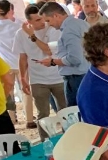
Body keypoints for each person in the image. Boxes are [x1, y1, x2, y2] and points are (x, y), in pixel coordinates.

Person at [17, 3, 66, 136]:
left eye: (42, 18)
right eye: (37, 20)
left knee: (65, 111)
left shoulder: (52, 28)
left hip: (58, 76)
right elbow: (22, 58)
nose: (42, 22)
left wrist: (32, 36)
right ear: (29, 22)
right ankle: (45, 143)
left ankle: (68, 138)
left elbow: (48, 50)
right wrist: (23, 78)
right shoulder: (20, 34)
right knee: (42, 114)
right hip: (37, 79)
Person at [38, 1, 87, 106]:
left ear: (56, 16)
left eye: (48, 20)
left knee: (76, 113)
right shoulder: (81, 23)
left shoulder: (68, 30)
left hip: (76, 78)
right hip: (85, 74)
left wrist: (53, 62)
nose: (49, 24)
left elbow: (75, 58)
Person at [0, 1, 20, 126]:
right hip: (19, 62)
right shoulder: (18, 26)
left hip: (4, 64)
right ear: (9, 11)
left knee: (10, 92)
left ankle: (12, 117)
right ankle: (29, 117)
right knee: (24, 91)